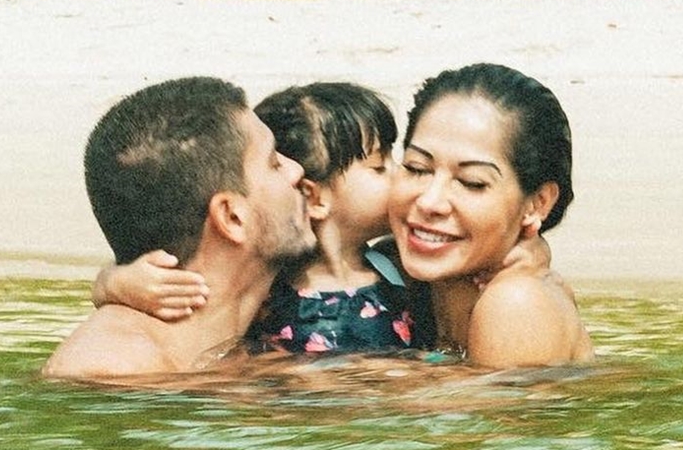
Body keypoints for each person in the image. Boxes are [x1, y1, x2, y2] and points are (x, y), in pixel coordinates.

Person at [95, 82, 421, 353]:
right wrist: (113, 284)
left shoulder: (399, 261)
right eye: (379, 167)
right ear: (314, 197)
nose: (403, 172)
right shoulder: (273, 284)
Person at [42, 76, 316, 381]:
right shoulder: (110, 369)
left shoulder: (247, 350)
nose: (297, 170)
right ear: (231, 217)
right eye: (274, 163)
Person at [388, 63, 594, 369]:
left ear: (537, 204)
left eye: (472, 183)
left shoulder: (516, 302)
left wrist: (355, 373)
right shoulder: (396, 269)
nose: (430, 202)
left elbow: (487, 416)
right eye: (417, 168)